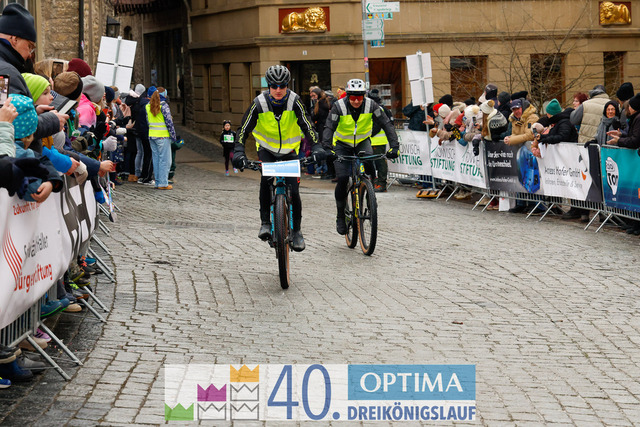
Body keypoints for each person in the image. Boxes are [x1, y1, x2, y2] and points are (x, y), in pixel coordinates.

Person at [232, 65, 325, 252]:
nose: (278, 90)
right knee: (265, 181)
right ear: (269, 86)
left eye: (282, 86)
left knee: (294, 191)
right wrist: (239, 151)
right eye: (274, 86)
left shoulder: (294, 101)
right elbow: (243, 130)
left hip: (290, 151)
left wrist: (316, 146)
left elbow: (307, 126)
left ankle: (297, 231)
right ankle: (265, 223)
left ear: (287, 85)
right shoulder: (259, 103)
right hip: (267, 150)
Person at [322, 78, 399, 234]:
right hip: (342, 144)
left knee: (370, 165)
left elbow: (386, 124)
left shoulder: (372, 105)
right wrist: (328, 148)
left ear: (364, 95)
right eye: (353, 97)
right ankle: (340, 215)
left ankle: (370, 198)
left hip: (362, 142)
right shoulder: (339, 106)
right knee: (343, 178)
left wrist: (394, 147)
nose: (356, 101)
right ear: (347, 96)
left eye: (359, 97)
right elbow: (329, 127)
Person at [144, 86, 177, 190]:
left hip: (152, 135)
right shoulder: (164, 106)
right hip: (163, 136)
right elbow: (169, 122)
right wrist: (173, 136)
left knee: (156, 159)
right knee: (165, 160)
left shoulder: (147, 106)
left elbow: (148, 121)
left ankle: (158, 182)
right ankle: (163, 183)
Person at [368, 88, 393, 192]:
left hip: (377, 140)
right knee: (373, 162)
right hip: (374, 140)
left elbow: (377, 125)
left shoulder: (377, 109)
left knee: (380, 162)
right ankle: (375, 181)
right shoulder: (377, 107)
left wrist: (368, 134)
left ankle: (382, 183)